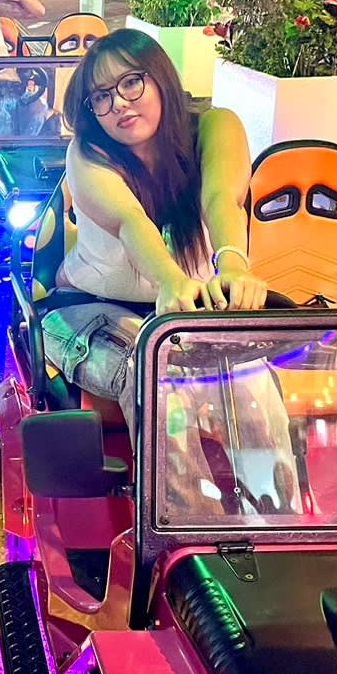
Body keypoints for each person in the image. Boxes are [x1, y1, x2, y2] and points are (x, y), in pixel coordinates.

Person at [43, 29, 278, 448]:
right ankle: (168, 495)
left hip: (188, 314)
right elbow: (130, 221)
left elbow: (221, 198)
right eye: (101, 97)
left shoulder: (214, 126)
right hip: (90, 308)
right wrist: (171, 280)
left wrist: (233, 266)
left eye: (131, 82)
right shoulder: (87, 153)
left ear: (160, 78)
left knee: (253, 380)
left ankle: (275, 493)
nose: (119, 103)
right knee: (156, 378)